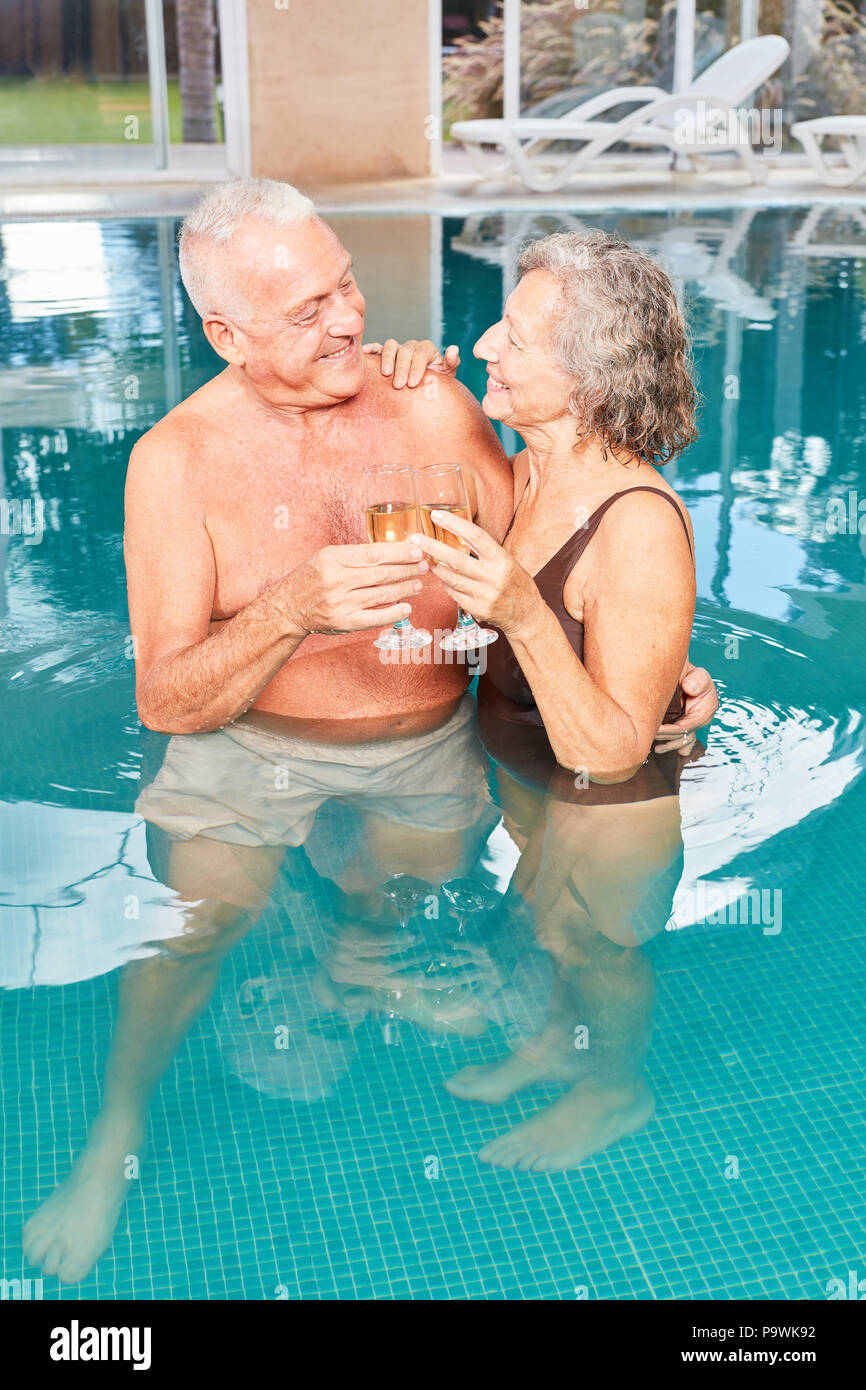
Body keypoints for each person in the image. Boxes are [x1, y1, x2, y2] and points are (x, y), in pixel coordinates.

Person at [22, 183, 714, 1282]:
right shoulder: (177, 460)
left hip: (430, 740)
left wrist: (661, 670)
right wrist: (290, 609)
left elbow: (558, 550)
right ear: (225, 334)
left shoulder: (432, 403)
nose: (347, 319)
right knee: (197, 926)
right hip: (248, 746)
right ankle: (116, 1131)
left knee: (396, 900)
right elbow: (166, 701)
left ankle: (351, 961)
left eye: (344, 283)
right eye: (305, 311)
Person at [413, 230, 707, 1168]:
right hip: (530, 769)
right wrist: (406, 365)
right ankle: (556, 1045)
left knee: (596, 945)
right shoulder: (534, 461)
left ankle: (616, 1091)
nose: (487, 345)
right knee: (545, 921)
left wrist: (520, 616)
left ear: (587, 381)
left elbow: (614, 751)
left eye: (514, 337)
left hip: (610, 795)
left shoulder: (637, 525)